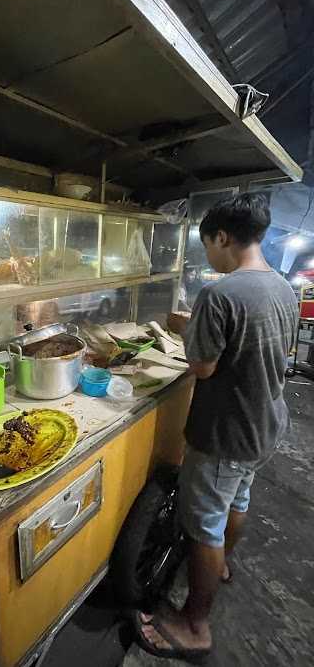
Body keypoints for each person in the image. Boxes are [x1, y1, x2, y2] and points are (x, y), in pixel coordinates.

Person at [135, 194, 298, 662]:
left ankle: (194, 625)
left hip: (226, 432)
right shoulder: (283, 286)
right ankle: (221, 565)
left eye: (206, 244)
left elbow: (203, 367)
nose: (206, 255)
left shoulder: (221, 294)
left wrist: (191, 332)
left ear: (222, 238)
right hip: (265, 424)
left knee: (203, 524)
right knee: (237, 500)